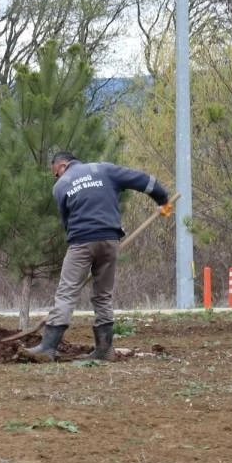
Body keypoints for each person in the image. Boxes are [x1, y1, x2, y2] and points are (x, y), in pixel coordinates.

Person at [22, 151, 171, 362]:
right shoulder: (104, 170)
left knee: (66, 294)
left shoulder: (61, 185)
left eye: (56, 173)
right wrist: (162, 199)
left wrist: (81, 242)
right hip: (110, 240)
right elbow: (143, 180)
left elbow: (67, 222)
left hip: (81, 242)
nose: (57, 177)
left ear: (62, 165)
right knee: (103, 295)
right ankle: (104, 350)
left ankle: (47, 347)